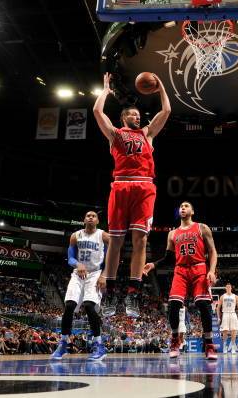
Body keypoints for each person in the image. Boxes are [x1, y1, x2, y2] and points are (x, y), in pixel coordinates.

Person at [93, 72, 171, 318]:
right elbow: (97, 112)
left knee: (141, 242)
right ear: (123, 117)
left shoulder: (148, 135)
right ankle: (111, 291)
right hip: (121, 186)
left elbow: (166, 111)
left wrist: (161, 88)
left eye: (138, 114)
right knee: (115, 242)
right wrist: (105, 89)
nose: (136, 116)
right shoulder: (115, 134)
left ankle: (133, 292)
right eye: (131, 114)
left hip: (145, 188)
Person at [143, 201, 218, 360]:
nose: (182, 208)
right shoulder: (172, 234)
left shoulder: (202, 227)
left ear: (192, 211)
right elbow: (169, 258)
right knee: (174, 304)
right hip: (181, 270)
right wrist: (154, 264)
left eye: (186, 206)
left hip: (199, 268)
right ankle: (175, 341)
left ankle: (209, 344)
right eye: (181, 206)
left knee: (203, 304)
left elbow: (212, 251)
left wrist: (211, 271)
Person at [51, 211, 109, 361]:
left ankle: (99, 345)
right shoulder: (75, 235)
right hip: (78, 273)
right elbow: (70, 257)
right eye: (88, 215)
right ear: (84, 219)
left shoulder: (103, 235)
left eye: (93, 216)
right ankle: (64, 343)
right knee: (69, 305)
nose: (90, 217)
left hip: (95, 273)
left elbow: (112, 256)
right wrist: (78, 264)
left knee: (89, 306)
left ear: (97, 221)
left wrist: (105, 275)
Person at [217, 283, 238, 354]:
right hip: (225, 313)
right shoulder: (222, 296)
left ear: (231, 288)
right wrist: (218, 317)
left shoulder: (235, 296)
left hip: (233, 313)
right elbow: (218, 308)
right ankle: (225, 346)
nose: (228, 288)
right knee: (225, 330)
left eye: (229, 287)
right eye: (227, 287)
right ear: (225, 288)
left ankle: (233, 346)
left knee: (233, 330)